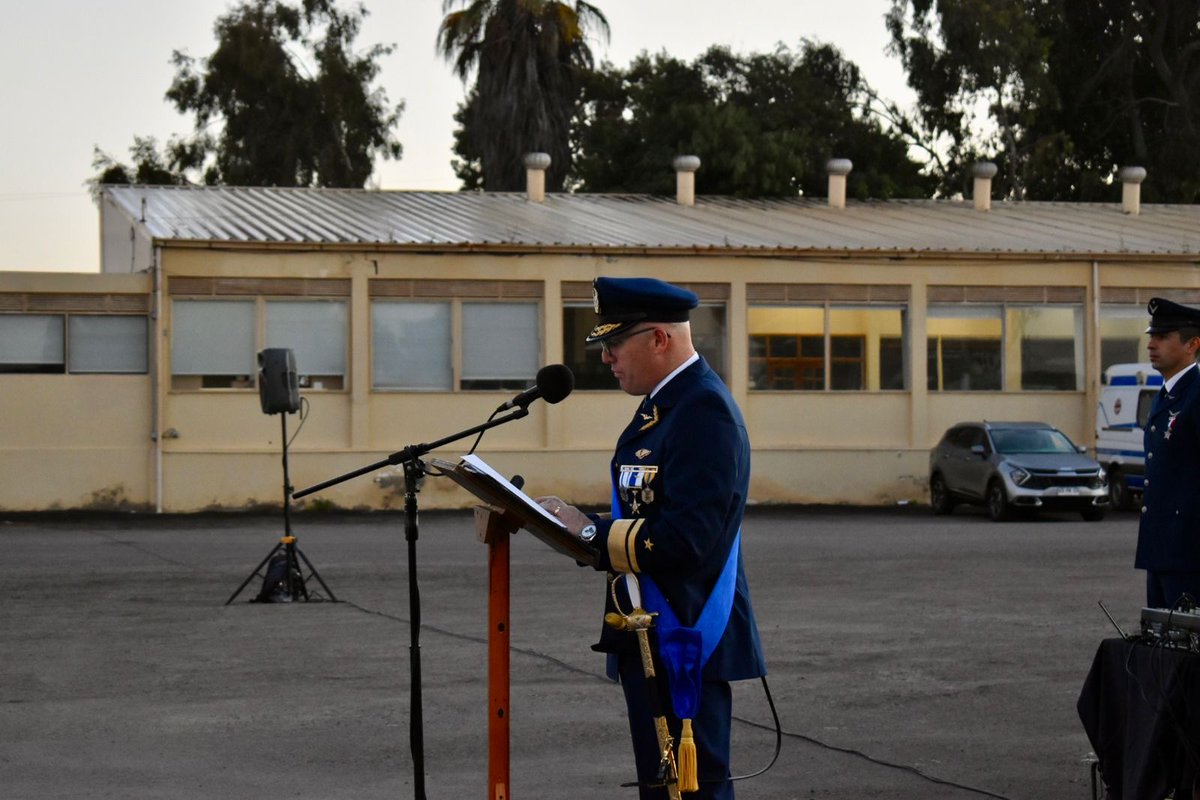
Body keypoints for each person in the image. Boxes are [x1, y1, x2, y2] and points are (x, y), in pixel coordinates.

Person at [538, 276, 766, 800]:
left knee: (691, 790)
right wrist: (580, 520)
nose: (606, 357)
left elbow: (688, 540)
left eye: (614, 343)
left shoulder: (702, 410)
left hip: (685, 628)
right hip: (653, 628)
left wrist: (592, 532)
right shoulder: (668, 405)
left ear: (658, 339)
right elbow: (651, 509)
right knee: (663, 789)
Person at [1137, 296, 1200, 609]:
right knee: (1161, 650)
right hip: (1162, 549)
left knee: (1187, 648)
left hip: (1189, 552)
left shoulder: (1196, 394)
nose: (1152, 344)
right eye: (1152, 336)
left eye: (1163, 337)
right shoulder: (1166, 394)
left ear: (1192, 344)